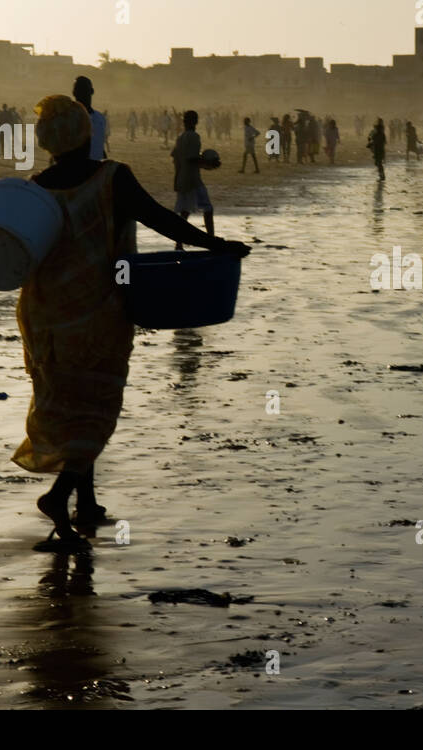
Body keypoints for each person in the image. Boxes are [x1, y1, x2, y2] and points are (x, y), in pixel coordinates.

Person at [15, 96, 249, 546]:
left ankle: (85, 501)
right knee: (98, 403)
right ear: (87, 133)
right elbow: (161, 219)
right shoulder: (110, 177)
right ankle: (58, 497)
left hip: (45, 314)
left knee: (67, 401)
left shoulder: (37, 187)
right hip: (98, 309)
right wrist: (216, 246)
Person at [171, 111, 213, 247]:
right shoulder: (194, 136)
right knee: (208, 209)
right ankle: (211, 241)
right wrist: (208, 163)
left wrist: (176, 180)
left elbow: (176, 160)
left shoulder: (180, 137)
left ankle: (178, 243)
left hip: (182, 178)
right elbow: (192, 158)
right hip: (193, 180)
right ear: (196, 121)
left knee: (184, 212)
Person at [73, 76, 106, 160]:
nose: (81, 93)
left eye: (84, 90)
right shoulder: (67, 118)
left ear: (91, 91)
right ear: (74, 93)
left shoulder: (100, 118)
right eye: (79, 90)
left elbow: (99, 146)